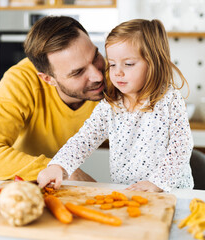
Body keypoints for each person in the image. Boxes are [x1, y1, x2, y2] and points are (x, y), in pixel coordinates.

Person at [37, 19, 194, 192]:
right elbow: (83, 140)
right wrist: (59, 166)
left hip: (172, 192)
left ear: (153, 63)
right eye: (112, 64)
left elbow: (181, 146)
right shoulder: (110, 105)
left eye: (128, 64)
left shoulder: (169, 99)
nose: (117, 72)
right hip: (129, 193)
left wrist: (157, 183)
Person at [0, 16, 106, 181]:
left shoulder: (117, 74)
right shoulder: (21, 81)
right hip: (25, 184)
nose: (98, 76)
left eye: (95, 56)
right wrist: (62, 169)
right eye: (78, 72)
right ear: (48, 79)